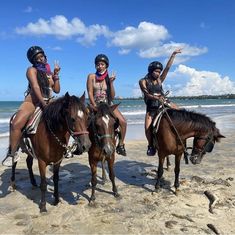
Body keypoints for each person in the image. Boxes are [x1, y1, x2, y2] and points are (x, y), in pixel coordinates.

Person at [2, 46, 61, 166]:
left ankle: (66, 147)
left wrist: (56, 75)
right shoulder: (31, 70)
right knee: (16, 123)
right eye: (37, 58)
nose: (41, 59)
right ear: (33, 61)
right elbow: (35, 87)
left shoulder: (49, 73)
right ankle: (12, 153)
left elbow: (57, 90)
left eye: (42, 56)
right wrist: (43, 104)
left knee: (67, 115)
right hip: (33, 101)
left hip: (49, 100)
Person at [139, 48, 182, 156]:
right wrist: (156, 98)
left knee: (180, 112)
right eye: (156, 71)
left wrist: (173, 55)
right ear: (151, 71)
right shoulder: (143, 81)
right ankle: (151, 146)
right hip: (151, 108)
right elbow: (147, 94)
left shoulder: (159, 80)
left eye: (159, 72)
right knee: (147, 129)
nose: (158, 74)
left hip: (163, 102)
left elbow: (167, 68)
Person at [87, 54, 127, 156]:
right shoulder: (91, 76)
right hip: (95, 104)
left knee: (123, 122)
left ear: (106, 66)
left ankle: (121, 145)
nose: (100, 66)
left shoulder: (109, 78)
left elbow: (112, 96)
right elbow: (90, 92)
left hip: (107, 105)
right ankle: (79, 144)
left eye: (102, 64)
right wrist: (94, 105)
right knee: (82, 121)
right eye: (98, 64)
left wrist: (111, 83)